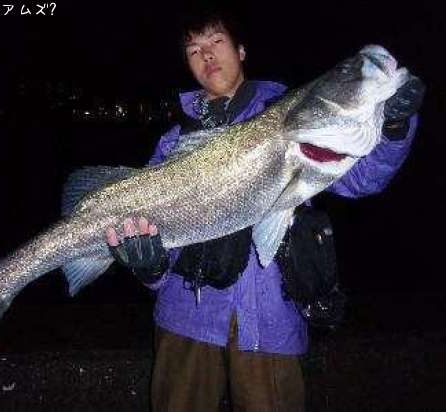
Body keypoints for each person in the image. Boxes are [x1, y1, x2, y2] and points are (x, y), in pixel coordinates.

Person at [105, 9, 424, 412]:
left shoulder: (293, 114)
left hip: (270, 319)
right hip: (186, 317)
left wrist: (393, 129)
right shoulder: (174, 142)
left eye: (216, 41)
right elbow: (151, 232)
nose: (207, 55)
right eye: (194, 50)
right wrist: (150, 268)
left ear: (241, 50)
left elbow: (364, 179)